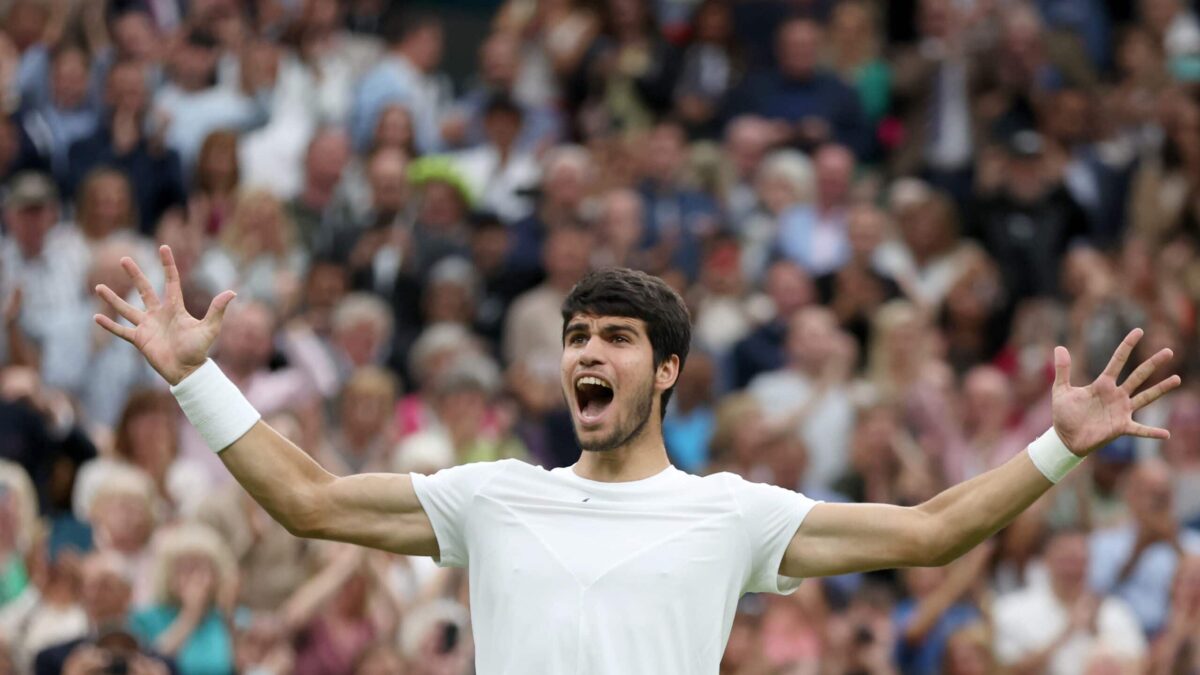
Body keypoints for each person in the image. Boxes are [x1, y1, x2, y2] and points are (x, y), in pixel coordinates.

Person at [93, 245, 1181, 674]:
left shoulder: (732, 512)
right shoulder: (491, 494)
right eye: (576, 338)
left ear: (665, 373)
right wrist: (195, 375)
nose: (588, 354)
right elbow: (307, 501)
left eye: (615, 338)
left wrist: (1055, 447)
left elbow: (932, 532)